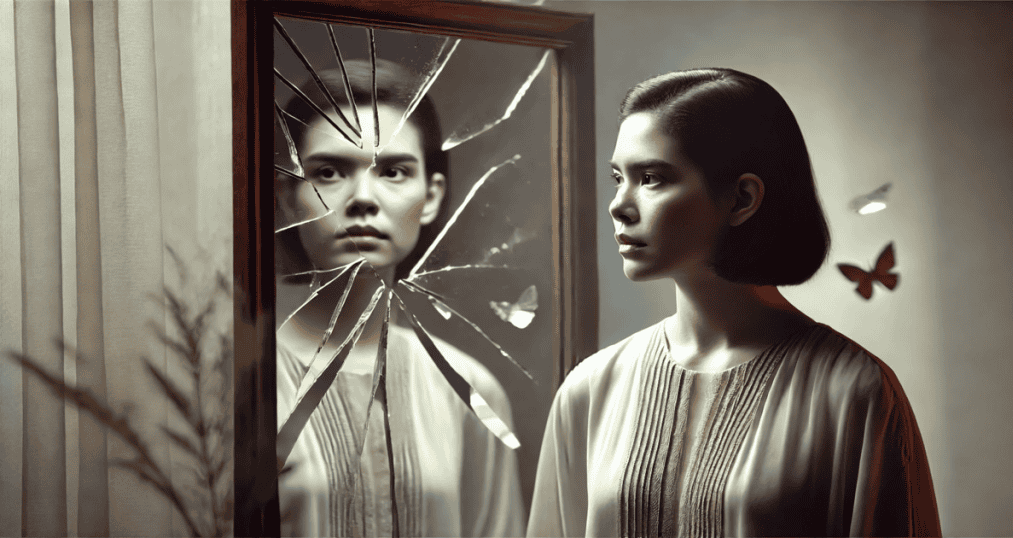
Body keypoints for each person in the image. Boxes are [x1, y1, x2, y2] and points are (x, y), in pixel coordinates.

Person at [526, 68, 941, 537]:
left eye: (652, 178)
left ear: (742, 198)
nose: (618, 204)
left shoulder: (854, 392)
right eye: (618, 177)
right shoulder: (590, 390)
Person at [275, 59, 525, 537]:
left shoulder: (469, 391)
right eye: (329, 172)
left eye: (392, 171)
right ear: (289, 196)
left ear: (431, 196)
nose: (363, 198)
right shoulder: (236, 383)